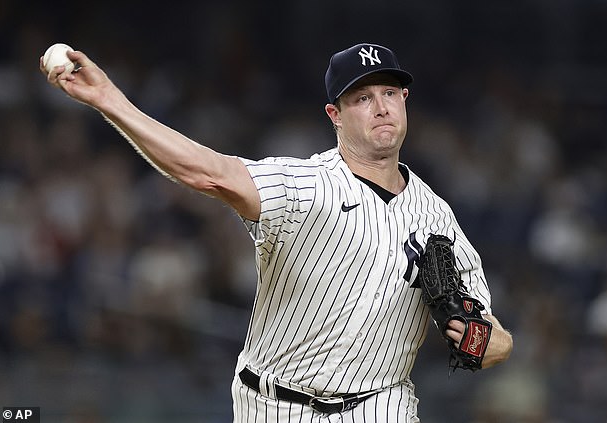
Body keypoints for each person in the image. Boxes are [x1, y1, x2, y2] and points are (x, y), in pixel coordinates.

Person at [41, 42, 512, 422]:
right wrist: (109, 100)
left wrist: (484, 341)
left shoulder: (436, 217)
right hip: (274, 405)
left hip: (381, 406)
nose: (381, 108)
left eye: (389, 93)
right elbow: (210, 173)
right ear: (335, 115)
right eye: (362, 98)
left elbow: (495, 340)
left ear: (405, 100)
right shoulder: (306, 186)